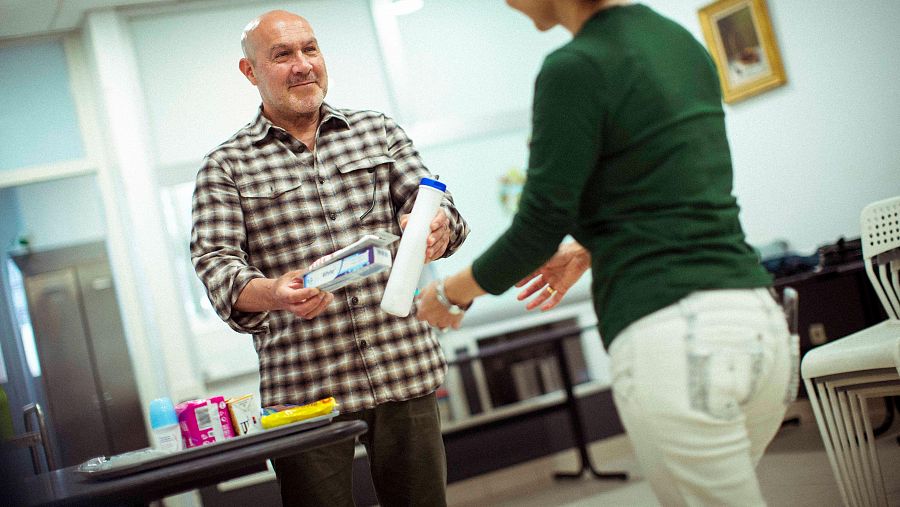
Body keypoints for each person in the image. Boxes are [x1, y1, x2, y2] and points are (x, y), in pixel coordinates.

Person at [416, 1, 795, 505]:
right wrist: (591, 247)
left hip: (678, 336)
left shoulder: (573, 67)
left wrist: (450, 293)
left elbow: (538, 226)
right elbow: (674, 189)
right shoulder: (680, 42)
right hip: (759, 322)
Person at [191, 10, 469, 506]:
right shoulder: (225, 166)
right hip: (305, 391)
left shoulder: (377, 131)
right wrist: (274, 293)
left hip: (402, 367)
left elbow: (441, 211)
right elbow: (217, 268)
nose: (302, 65)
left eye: (310, 49)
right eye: (282, 55)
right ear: (249, 71)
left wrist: (438, 227)